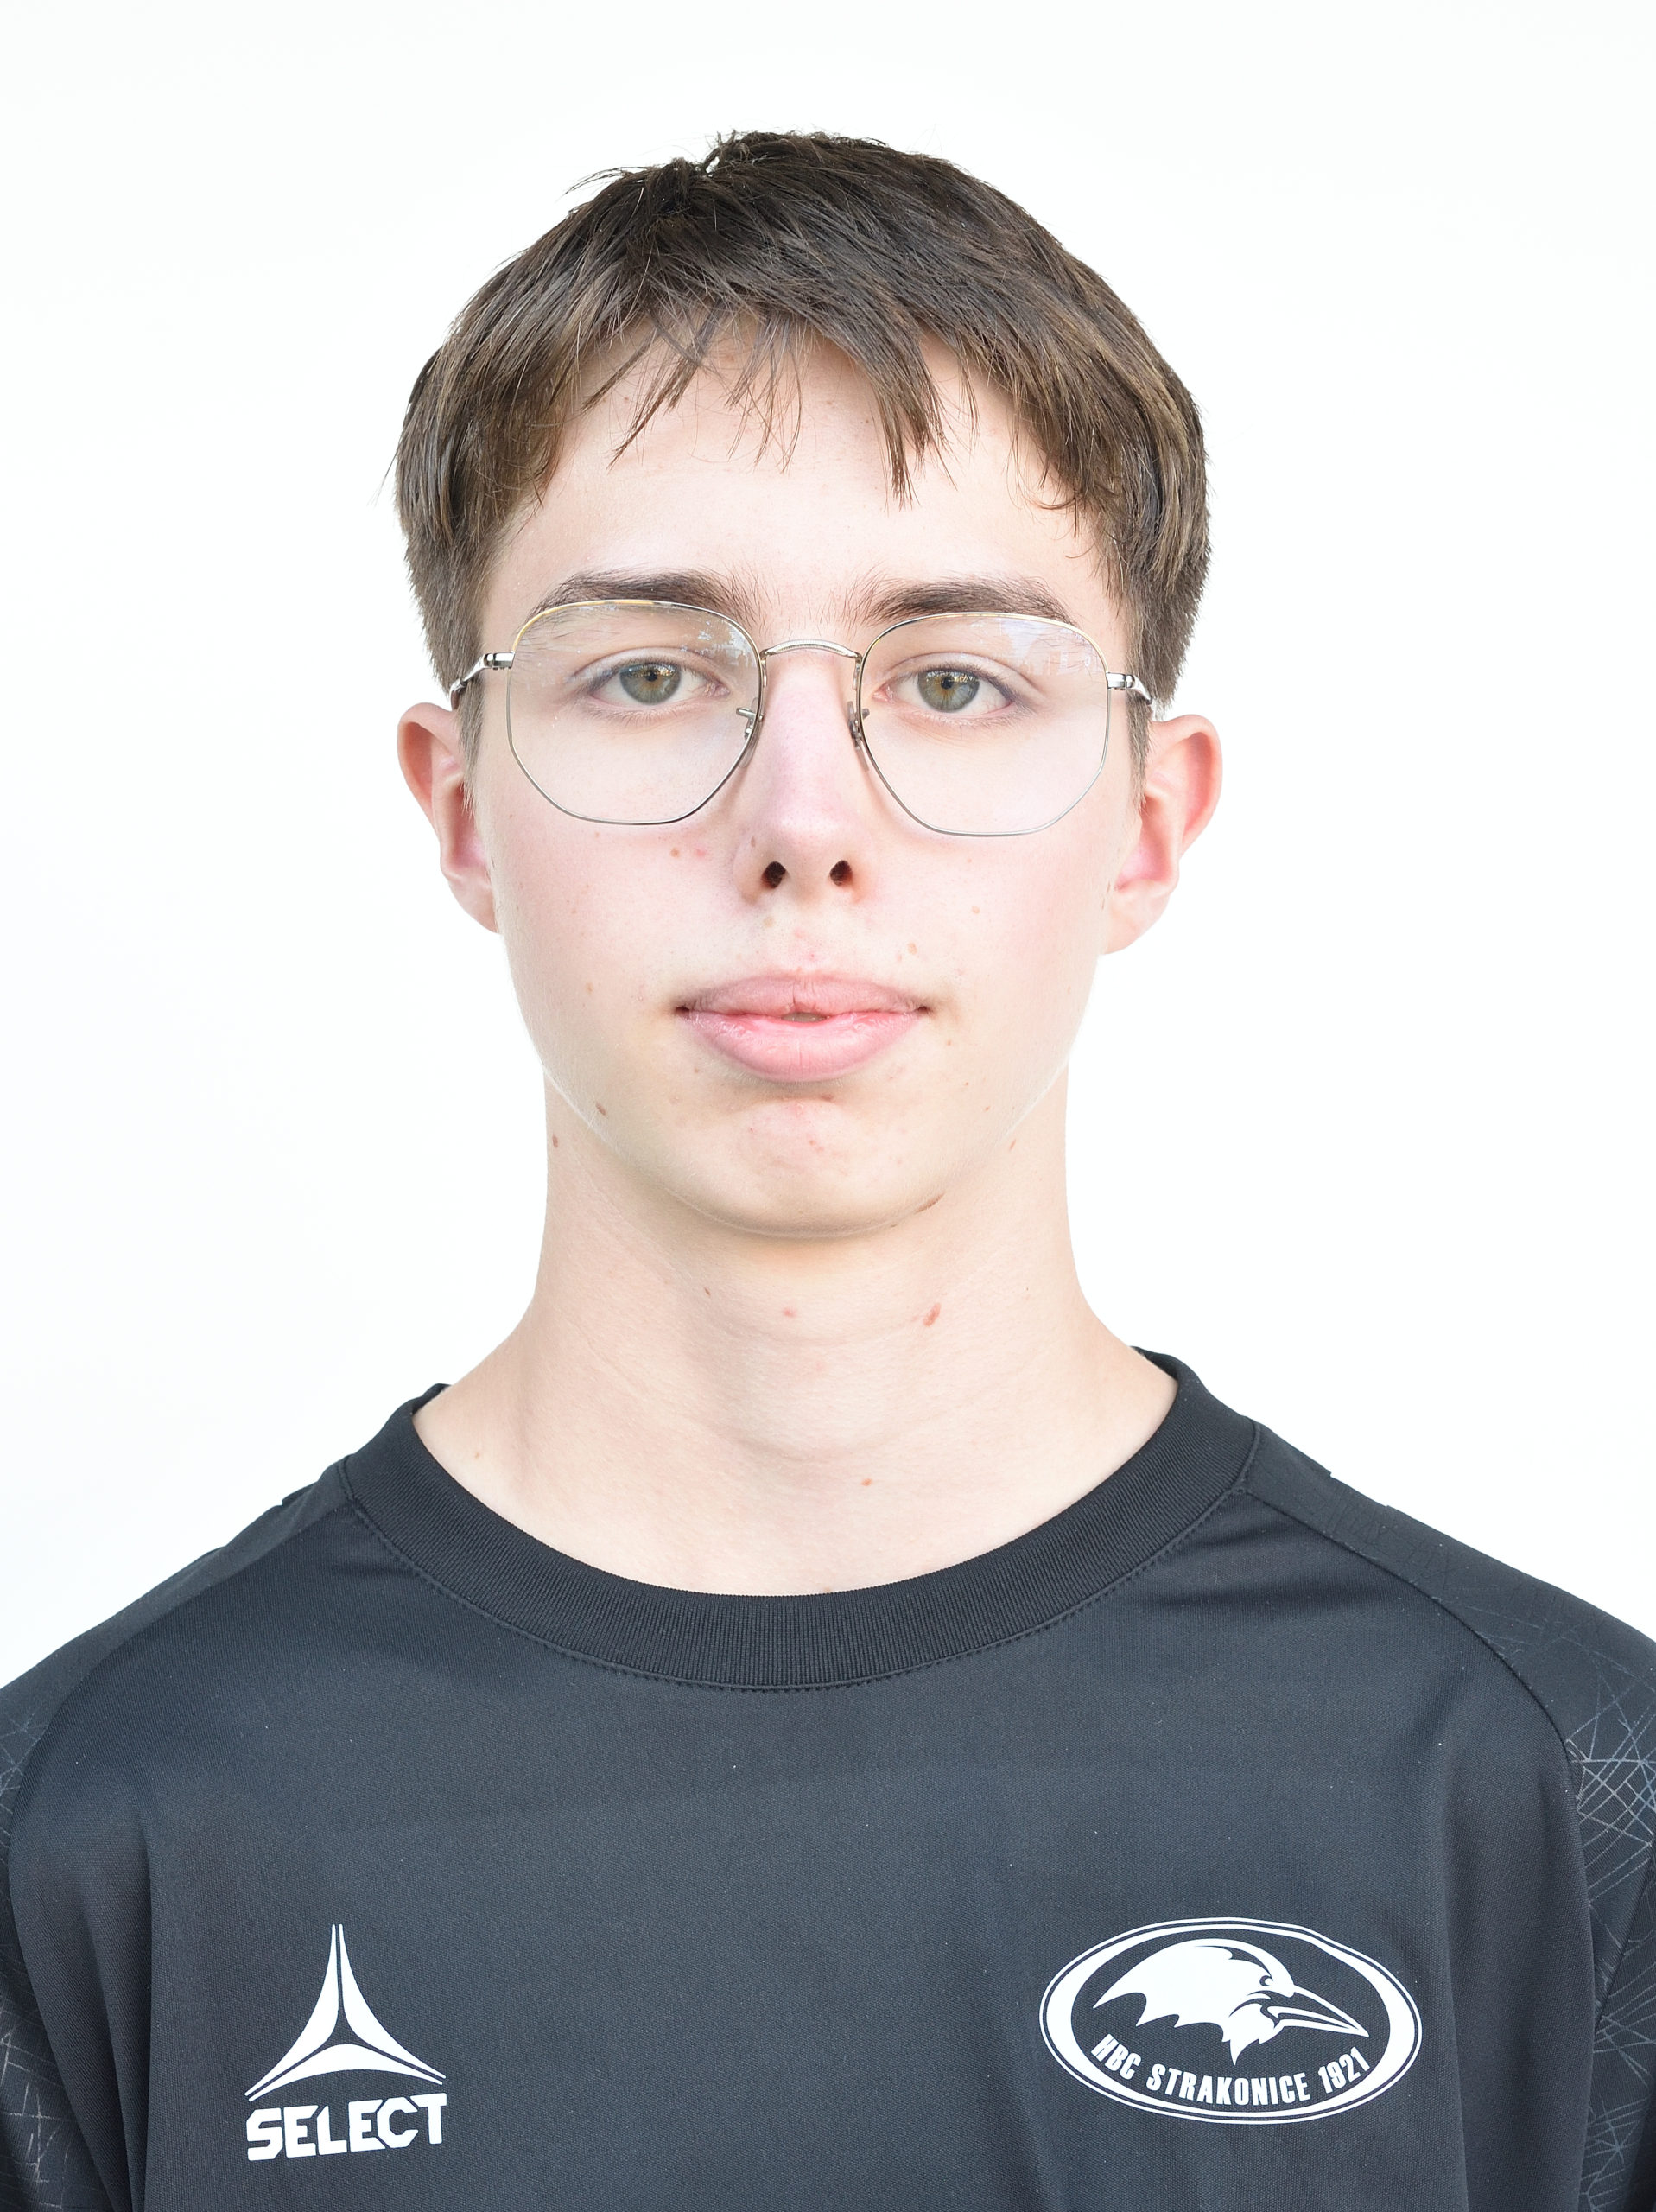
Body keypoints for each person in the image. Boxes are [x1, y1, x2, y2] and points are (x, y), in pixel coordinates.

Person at [1, 130, 1651, 2212]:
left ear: (1146, 819)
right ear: (462, 807)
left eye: (954, 682)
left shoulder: (1555, 1800)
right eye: (646, 672)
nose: (801, 820)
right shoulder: (93, 1841)